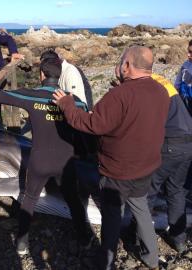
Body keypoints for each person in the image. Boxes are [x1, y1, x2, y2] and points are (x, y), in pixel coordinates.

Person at [53, 46, 171, 270]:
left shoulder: (119, 96)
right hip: (146, 166)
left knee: (112, 217)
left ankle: (105, 263)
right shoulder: (160, 90)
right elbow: (140, 116)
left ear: (127, 66)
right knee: (141, 209)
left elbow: (91, 124)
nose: (118, 66)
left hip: (118, 171)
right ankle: (151, 257)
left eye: (121, 62)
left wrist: (67, 104)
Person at [0, 57, 95, 255]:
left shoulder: (32, 96)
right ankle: (84, 239)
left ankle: (22, 243)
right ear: (60, 75)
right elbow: (86, 123)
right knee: (73, 200)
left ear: (41, 74)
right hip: (65, 162)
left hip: (39, 160)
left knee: (30, 198)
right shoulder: (75, 101)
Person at [147, 74, 192, 253]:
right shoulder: (160, 80)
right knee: (176, 189)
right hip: (187, 140)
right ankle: (179, 240)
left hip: (171, 142)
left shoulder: (147, 86)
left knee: (148, 189)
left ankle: (139, 238)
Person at [174, 39, 192, 115]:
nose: (188, 55)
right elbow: (177, 85)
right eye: (188, 51)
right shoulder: (185, 65)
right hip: (184, 104)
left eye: (191, 52)